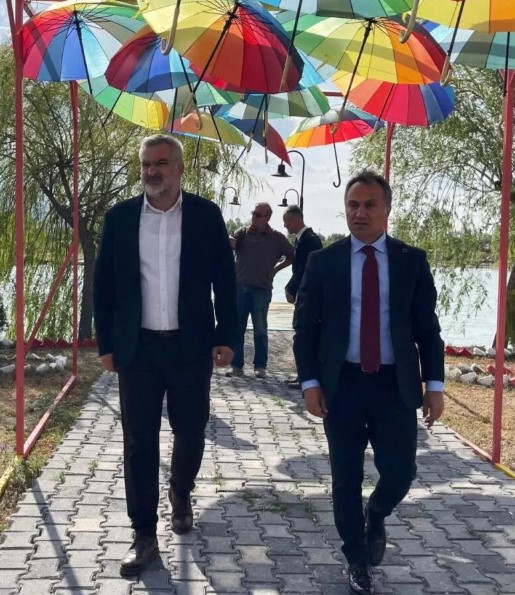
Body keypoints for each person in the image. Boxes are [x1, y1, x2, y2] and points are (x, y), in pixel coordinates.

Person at [293, 171, 444, 595]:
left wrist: (434, 385)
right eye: (353, 205)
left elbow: (427, 328)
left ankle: (375, 512)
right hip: (342, 385)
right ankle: (357, 560)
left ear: (387, 209)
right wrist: (310, 382)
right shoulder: (324, 262)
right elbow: (305, 329)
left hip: (395, 386)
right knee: (345, 477)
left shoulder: (411, 261)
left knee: (400, 472)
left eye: (369, 205)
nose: (360, 213)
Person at [93, 134, 236, 576]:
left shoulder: (206, 216)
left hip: (190, 345)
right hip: (137, 348)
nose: (152, 172)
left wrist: (227, 336)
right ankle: (144, 536)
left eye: (160, 163)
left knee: (191, 429)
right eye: (146, 165)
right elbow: (104, 286)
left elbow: (225, 281)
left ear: (179, 168)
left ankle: (181, 490)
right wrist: (106, 344)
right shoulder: (119, 218)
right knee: (139, 441)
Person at [227, 201, 294, 378]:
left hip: (262, 290)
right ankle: (236, 365)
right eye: (253, 213)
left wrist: (276, 269)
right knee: (237, 329)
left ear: (267, 218)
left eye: (258, 215)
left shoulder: (277, 238)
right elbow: (230, 243)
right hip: (240, 288)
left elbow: (292, 255)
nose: (254, 217)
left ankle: (260, 366)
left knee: (260, 330)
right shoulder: (242, 233)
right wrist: (230, 242)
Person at [282, 204, 323, 388]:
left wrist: (291, 288)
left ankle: (306, 376)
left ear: (295, 219)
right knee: (300, 336)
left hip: (309, 296)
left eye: (286, 221)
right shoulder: (302, 239)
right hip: (304, 294)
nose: (285, 226)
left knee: (303, 337)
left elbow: (304, 270)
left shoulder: (310, 241)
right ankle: (302, 374)